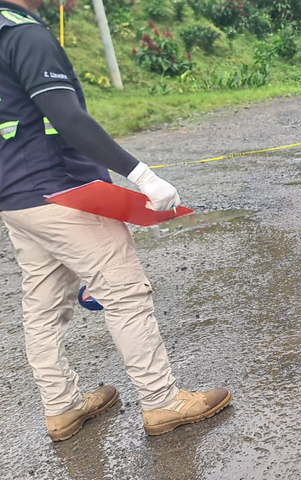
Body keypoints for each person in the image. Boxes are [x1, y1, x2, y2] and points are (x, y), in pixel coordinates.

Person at [0, 0, 230, 441]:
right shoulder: (25, 34)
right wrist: (140, 173)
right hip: (61, 192)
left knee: (43, 306)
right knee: (124, 291)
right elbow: (66, 116)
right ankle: (162, 402)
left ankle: (62, 408)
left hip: (16, 199)